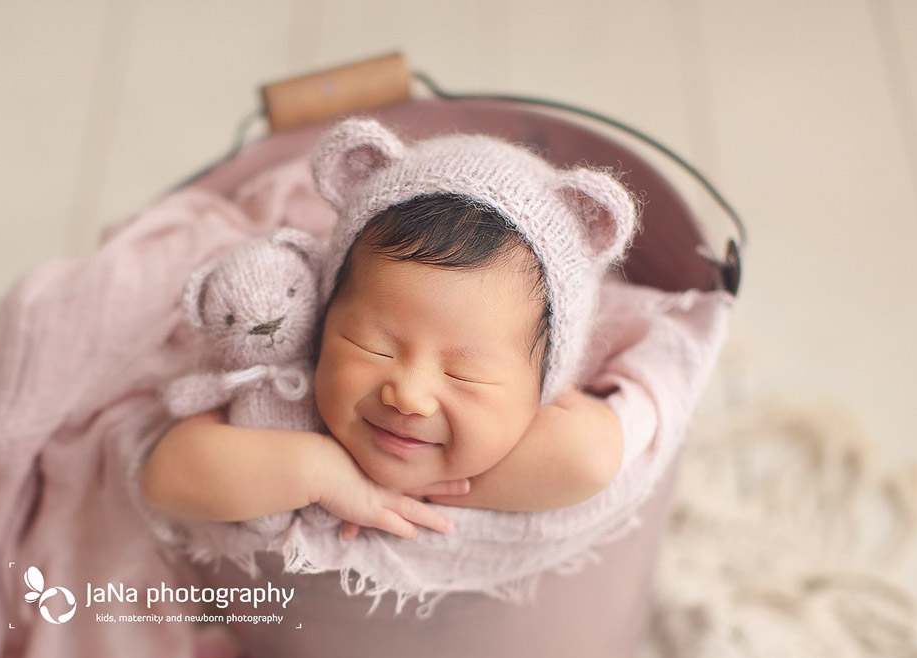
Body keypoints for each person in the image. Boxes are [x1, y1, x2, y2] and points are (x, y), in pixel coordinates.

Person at [141, 117, 638, 540]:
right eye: (373, 347)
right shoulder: (293, 401)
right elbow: (169, 472)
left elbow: (592, 455)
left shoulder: (529, 431)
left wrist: (413, 488)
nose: (409, 397)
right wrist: (319, 472)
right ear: (323, 320)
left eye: (465, 373)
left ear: (543, 387)